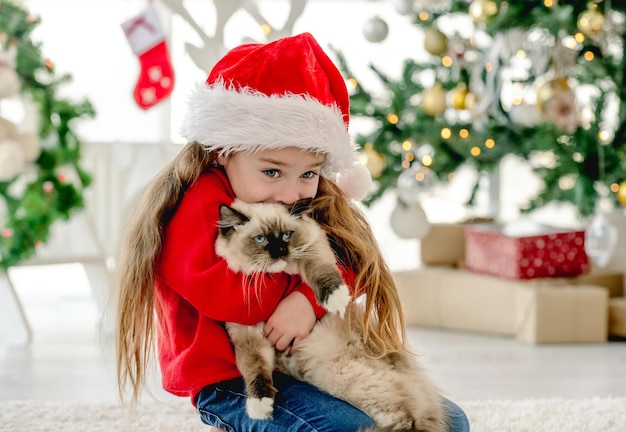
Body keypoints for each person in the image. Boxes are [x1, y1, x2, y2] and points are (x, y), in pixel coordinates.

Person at [115, 32, 470, 432]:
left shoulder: (294, 199)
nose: (290, 192)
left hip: (310, 364)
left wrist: (308, 300)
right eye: (272, 171)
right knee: (340, 428)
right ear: (223, 151)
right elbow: (240, 302)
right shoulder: (197, 207)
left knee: (450, 422)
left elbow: (349, 260)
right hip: (234, 380)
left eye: (308, 174)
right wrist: (311, 285)